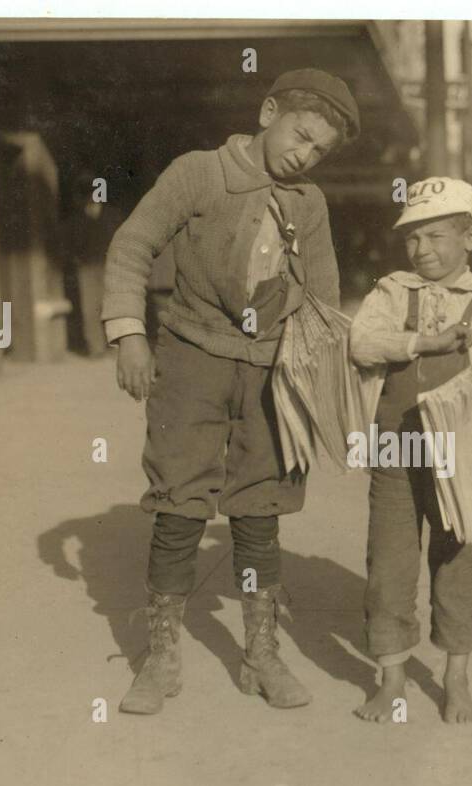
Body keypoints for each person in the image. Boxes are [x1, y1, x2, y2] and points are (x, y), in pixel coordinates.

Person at [101, 69, 359, 715]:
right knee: (180, 504)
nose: (305, 155)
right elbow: (133, 245)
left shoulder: (310, 203)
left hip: (271, 371)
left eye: (319, 150)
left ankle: (261, 655)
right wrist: (128, 335)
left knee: (259, 511)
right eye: (300, 136)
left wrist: (325, 380)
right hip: (191, 359)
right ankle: (160, 660)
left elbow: (323, 296)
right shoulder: (200, 172)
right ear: (269, 112)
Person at [348, 177, 472, 724]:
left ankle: (456, 678)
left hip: (458, 459)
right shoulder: (392, 292)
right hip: (395, 452)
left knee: (453, 564)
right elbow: (360, 343)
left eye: (435, 237)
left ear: (469, 236)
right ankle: (393, 678)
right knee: (389, 564)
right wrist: (420, 343)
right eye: (412, 240)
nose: (421, 251)